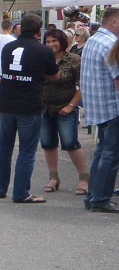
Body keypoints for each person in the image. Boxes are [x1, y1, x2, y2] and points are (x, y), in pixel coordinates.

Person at [0, 13, 58, 204]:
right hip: (29, 104)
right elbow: (54, 76)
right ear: (39, 30)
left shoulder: (8, 47)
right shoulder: (43, 50)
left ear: (18, 29)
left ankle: (0, 189)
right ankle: (21, 192)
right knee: (27, 150)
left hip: (6, 102)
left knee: (4, 148)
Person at [39, 28, 88, 195]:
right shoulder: (41, 59)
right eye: (48, 41)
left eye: (54, 41)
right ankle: (53, 178)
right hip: (45, 108)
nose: (51, 44)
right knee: (48, 144)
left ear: (62, 42)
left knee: (70, 143)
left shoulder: (73, 60)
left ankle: (83, 178)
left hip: (66, 108)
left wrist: (71, 105)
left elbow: (83, 86)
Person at [79, 7, 119, 212]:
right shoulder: (111, 43)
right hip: (113, 107)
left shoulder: (93, 40)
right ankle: (100, 199)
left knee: (103, 152)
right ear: (114, 22)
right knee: (110, 155)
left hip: (98, 106)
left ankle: (94, 196)